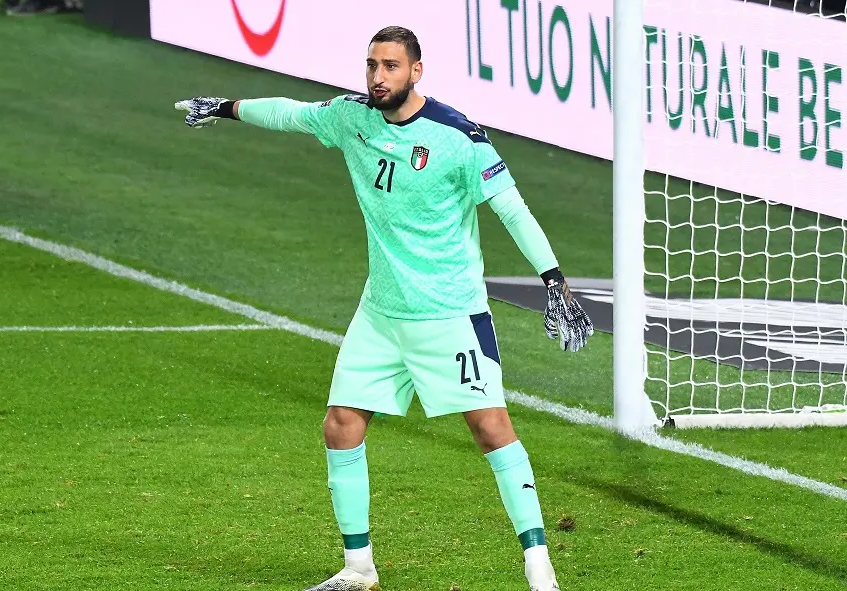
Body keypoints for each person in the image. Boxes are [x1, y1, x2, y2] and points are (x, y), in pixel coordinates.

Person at [175, 25, 593, 591]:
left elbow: (513, 210)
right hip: (381, 310)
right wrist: (225, 107)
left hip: (449, 313)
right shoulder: (352, 119)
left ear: (416, 71)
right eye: (372, 65)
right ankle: (358, 568)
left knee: (491, 429)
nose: (378, 77)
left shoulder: (458, 137)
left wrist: (554, 281)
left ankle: (540, 569)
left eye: (391, 66)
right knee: (341, 426)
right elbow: (290, 112)